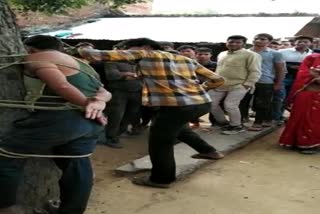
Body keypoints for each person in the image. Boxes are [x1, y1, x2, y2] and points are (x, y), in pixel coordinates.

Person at [78, 38, 225, 188]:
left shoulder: (145, 54)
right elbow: (218, 79)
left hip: (176, 107)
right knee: (180, 130)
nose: (129, 52)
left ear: (146, 47)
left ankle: (161, 179)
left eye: (130, 49)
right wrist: (199, 90)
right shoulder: (184, 59)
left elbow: (96, 55)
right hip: (201, 103)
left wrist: (79, 50)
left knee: (160, 143)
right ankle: (210, 151)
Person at [0, 35, 111, 214]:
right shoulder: (82, 64)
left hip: (61, 120)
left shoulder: (36, 58)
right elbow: (105, 92)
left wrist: (86, 104)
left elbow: (61, 86)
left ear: (30, 49)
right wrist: (98, 104)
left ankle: (6, 207)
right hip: (90, 122)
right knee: (76, 164)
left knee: (5, 154)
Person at [209, 35, 262, 135]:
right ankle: (223, 123)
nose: (233, 44)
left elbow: (255, 71)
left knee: (230, 105)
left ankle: (236, 126)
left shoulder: (251, 55)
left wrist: (247, 84)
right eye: (231, 42)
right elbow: (219, 69)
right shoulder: (222, 54)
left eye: (237, 42)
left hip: (239, 84)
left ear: (244, 44)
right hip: (220, 84)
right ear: (226, 43)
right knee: (210, 103)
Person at [247, 33, 285, 131]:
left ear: (269, 42)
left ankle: (258, 122)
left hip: (265, 81)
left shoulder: (275, 53)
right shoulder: (246, 52)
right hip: (248, 80)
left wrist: (278, 83)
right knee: (247, 102)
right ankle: (265, 119)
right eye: (256, 38)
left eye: (262, 39)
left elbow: (280, 70)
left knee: (262, 103)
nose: (258, 40)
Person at [279, 65, 320, 154]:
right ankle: (303, 144)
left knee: (312, 120)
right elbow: (311, 75)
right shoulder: (312, 62)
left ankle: (306, 143)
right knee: (306, 120)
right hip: (308, 99)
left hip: (313, 99)